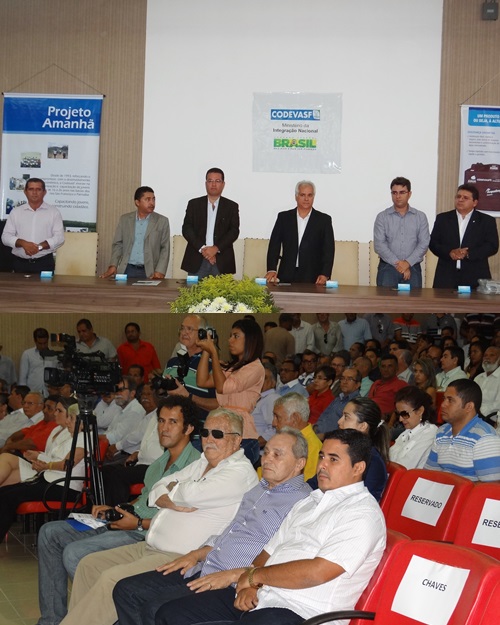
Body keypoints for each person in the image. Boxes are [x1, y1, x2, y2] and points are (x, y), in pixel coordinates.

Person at [148, 429, 386, 625]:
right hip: (263, 597)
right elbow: (268, 552)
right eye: (322, 456)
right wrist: (251, 585)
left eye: (333, 459)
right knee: (170, 614)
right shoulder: (309, 503)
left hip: (300, 613)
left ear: (358, 468)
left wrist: (254, 577)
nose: (322, 465)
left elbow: (317, 572)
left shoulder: (362, 513)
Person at [58, 409, 258, 625]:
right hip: (149, 545)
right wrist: (175, 496)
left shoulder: (240, 472)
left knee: (111, 579)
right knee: (89, 565)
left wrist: (174, 491)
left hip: (182, 556)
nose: (209, 439)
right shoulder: (202, 462)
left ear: (237, 440)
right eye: (205, 432)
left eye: (217, 434)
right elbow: (156, 489)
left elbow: (189, 495)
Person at [111, 428, 312, 625]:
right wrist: (196, 554)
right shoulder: (258, 490)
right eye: (266, 452)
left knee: (155, 609)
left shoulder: (302, 503)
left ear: (299, 463)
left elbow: (284, 559)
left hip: (235, 581)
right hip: (206, 564)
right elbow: (229, 532)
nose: (267, 459)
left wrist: (243, 577)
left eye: (277, 454)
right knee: (126, 591)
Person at [35, 395, 201, 625]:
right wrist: (115, 509)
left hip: (143, 531)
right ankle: (53, 620)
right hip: (128, 519)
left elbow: (184, 520)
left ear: (189, 428)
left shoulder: (196, 467)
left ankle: (99, 615)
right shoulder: (158, 463)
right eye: (161, 421)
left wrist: (136, 523)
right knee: (49, 533)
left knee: (75, 554)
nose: (164, 428)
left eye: (173, 422)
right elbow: (144, 499)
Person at [0, 397, 84, 541]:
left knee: (9, 496)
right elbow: (55, 457)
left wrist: (45, 465)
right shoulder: (66, 433)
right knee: (4, 491)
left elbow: (66, 465)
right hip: (50, 479)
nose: (68, 421)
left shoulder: (83, 437)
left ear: (81, 422)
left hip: (64, 486)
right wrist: (40, 460)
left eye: (71, 418)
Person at [196, 319, 264, 464]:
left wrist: (214, 354)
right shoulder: (233, 367)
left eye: (236, 336)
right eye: (230, 336)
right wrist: (207, 351)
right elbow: (202, 381)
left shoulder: (255, 367)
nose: (230, 340)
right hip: (221, 428)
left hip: (242, 436)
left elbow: (222, 387)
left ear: (250, 340)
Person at [424, 379, 500, 481]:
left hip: (466, 492)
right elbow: (430, 474)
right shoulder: (442, 432)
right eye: (444, 399)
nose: (443, 404)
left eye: (450, 400)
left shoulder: (485, 438)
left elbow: (491, 487)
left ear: (469, 407)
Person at [429, 183, 499, 288]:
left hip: (475, 276)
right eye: (458, 197)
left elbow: (492, 246)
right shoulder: (443, 219)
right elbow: (433, 243)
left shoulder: (486, 221)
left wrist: (468, 253)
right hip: (446, 276)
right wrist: (449, 252)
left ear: (475, 202)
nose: (460, 200)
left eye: (465, 198)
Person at [266, 180, 334, 284]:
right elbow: (274, 245)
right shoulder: (284, 218)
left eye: (310, 195)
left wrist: (325, 274)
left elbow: (328, 250)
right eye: (302, 195)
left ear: (313, 197)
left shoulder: (323, 220)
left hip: (314, 277)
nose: (306, 199)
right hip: (286, 274)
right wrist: (272, 269)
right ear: (296, 196)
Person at [100, 186, 170, 280]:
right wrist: (113, 265)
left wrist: (160, 270)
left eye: (153, 199)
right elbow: (118, 244)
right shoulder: (125, 219)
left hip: (150, 271)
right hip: (127, 269)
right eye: (147, 199)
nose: (152, 203)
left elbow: (165, 248)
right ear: (137, 202)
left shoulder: (162, 221)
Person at [180, 168, 239, 278]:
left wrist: (215, 249)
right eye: (210, 181)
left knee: (222, 290)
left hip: (222, 261)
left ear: (223, 184)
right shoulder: (194, 204)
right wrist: (204, 249)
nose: (213, 184)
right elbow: (187, 229)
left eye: (217, 181)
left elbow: (234, 231)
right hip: (197, 260)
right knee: (193, 289)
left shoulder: (231, 206)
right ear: (205, 183)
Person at [374, 176, 430, 287]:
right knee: (385, 299)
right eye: (394, 193)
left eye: (402, 192)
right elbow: (379, 245)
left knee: (414, 299)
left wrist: (407, 263)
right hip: (388, 267)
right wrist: (399, 264)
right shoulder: (382, 217)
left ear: (409, 194)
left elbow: (424, 243)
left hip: (413, 267)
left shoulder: (420, 217)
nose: (398, 196)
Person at [1, 177, 64, 273]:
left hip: (44, 263)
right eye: (31, 189)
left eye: (38, 189)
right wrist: (23, 243)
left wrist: (39, 247)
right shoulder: (16, 212)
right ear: (25, 192)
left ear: (44, 192)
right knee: (17, 284)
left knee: (45, 284)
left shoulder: (53, 212)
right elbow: (5, 237)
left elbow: (60, 238)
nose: (34, 193)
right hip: (19, 263)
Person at [272, 393, 321, 481]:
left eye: (278, 417)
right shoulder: (286, 438)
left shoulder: (312, 448)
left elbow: (303, 485)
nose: (273, 423)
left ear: (295, 418)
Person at [389, 386, 438, 469]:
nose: (400, 419)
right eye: (398, 414)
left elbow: (405, 467)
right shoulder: (406, 432)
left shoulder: (430, 433)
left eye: (405, 414)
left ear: (420, 411)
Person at [314, 367, 362, 439]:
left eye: (350, 379)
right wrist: (314, 428)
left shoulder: (356, 404)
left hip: (330, 439)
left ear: (357, 384)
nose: (345, 382)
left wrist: (324, 436)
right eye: (343, 378)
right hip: (317, 434)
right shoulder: (338, 399)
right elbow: (323, 416)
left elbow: (346, 431)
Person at [19, 327, 57, 394]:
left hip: (49, 393)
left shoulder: (54, 355)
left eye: (45, 343)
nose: (43, 346)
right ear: (35, 341)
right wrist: (23, 394)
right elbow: (22, 378)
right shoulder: (27, 354)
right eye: (40, 343)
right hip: (32, 393)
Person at [251, 362, 280, 448]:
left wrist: (252, 446)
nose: (260, 381)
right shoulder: (258, 398)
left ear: (273, 383)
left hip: (259, 451)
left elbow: (274, 430)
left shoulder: (272, 398)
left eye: (264, 378)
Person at [474, 346, 500, 424]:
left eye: (492, 355)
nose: (487, 358)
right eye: (485, 355)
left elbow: (497, 405)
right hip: (474, 415)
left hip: (492, 420)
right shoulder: (478, 378)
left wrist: (479, 411)